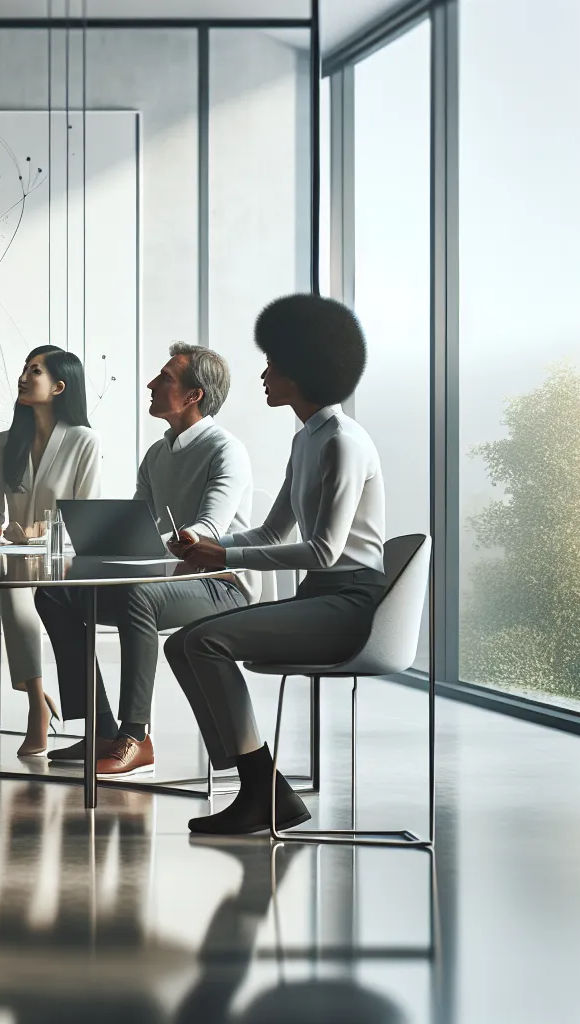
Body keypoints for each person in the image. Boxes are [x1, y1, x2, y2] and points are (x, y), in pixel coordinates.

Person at [167, 294, 384, 835]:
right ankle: (260, 785)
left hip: (351, 604)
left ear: (304, 370)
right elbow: (271, 532)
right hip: (321, 597)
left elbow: (325, 552)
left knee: (202, 642)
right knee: (180, 643)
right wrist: (204, 546)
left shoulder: (341, 443)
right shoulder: (306, 441)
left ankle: (260, 790)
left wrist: (227, 555)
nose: (263, 374)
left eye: (274, 365)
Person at [35, 342, 255, 776]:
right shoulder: (157, 453)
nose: (152, 384)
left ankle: (136, 736)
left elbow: (211, 526)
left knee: (139, 595)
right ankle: (100, 730)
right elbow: (142, 528)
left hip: (221, 587)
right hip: (167, 583)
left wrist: (180, 539)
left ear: (194, 396)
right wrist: (100, 538)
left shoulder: (226, 449)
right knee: (53, 594)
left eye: (165, 378)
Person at [0, 345, 100, 756]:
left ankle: (35, 707)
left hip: (61, 563)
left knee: (16, 586)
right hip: (10, 564)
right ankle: (38, 700)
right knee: (11, 582)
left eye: (36, 371)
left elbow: (86, 519)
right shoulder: (5, 441)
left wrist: (36, 533)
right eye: (24, 369)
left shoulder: (84, 442)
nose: (24, 377)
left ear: (60, 386)